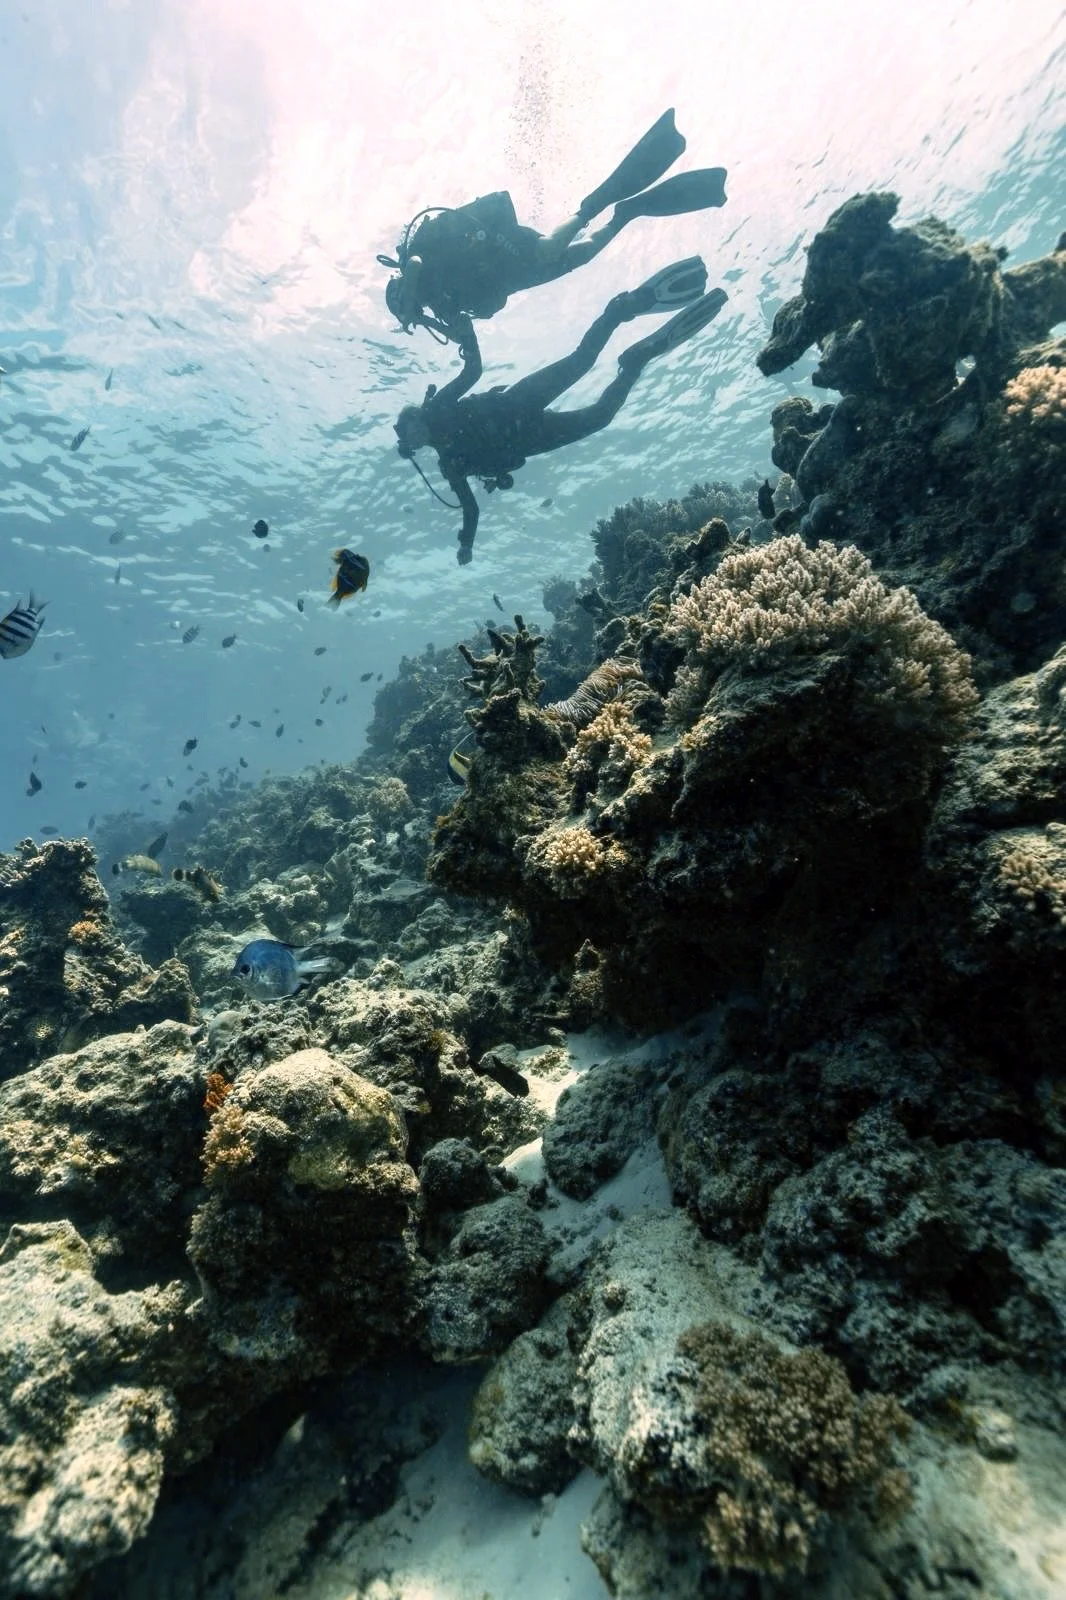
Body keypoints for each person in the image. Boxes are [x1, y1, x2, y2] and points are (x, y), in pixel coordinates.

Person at [393, 259, 727, 564]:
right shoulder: (449, 466)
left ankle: (620, 309)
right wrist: (467, 543)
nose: (414, 434)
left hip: (517, 403)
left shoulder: (439, 407)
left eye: (409, 426)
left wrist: (468, 338)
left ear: (415, 418)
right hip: (531, 439)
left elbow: (473, 372)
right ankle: (634, 362)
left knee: (581, 360)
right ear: (413, 445)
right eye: (408, 436)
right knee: (599, 419)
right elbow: (470, 507)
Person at [379, 109, 727, 345]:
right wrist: (432, 322)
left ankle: (592, 207)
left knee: (548, 249)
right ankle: (628, 212)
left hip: (497, 237)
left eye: (406, 301)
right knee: (585, 254)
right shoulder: (441, 304)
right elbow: (472, 326)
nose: (414, 305)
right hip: (514, 276)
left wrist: (409, 300)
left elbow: (413, 267)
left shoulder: (419, 255)